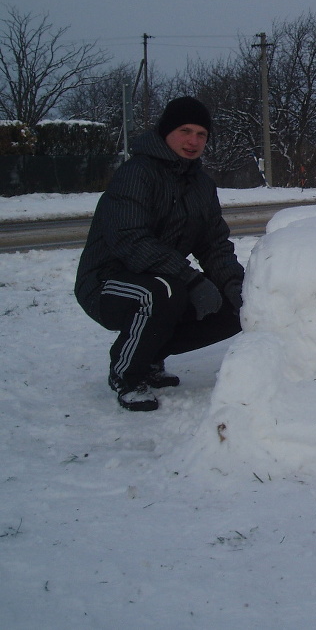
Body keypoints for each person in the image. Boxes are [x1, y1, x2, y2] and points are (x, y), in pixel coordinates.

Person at [75, 96, 244, 411]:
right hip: (107, 282)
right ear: (166, 132)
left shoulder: (201, 185)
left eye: (201, 134)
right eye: (185, 131)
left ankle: (149, 356)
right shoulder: (136, 173)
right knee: (165, 291)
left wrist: (234, 285)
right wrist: (191, 280)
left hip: (163, 280)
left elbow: (214, 244)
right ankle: (126, 374)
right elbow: (129, 239)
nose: (193, 141)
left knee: (233, 306)